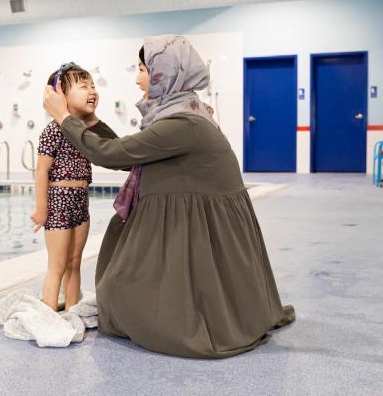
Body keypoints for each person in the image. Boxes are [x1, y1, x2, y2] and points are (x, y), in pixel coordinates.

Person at [42, 35, 295, 358]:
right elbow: (132, 153)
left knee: (119, 292)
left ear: (166, 72)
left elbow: (114, 155)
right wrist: (90, 121)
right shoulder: (187, 112)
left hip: (198, 217)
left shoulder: (181, 123)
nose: (138, 79)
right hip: (203, 215)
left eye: (143, 69)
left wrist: (65, 118)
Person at [31, 63, 119, 311]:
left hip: (81, 199)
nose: (92, 91)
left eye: (93, 85)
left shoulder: (85, 131)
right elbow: (41, 171)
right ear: (60, 96)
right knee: (57, 265)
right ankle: (48, 313)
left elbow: (112, 147)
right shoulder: (53, 131)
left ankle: (72, 310)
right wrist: (41, 208)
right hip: (59, 199)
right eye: (83, 86)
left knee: (75, 261)